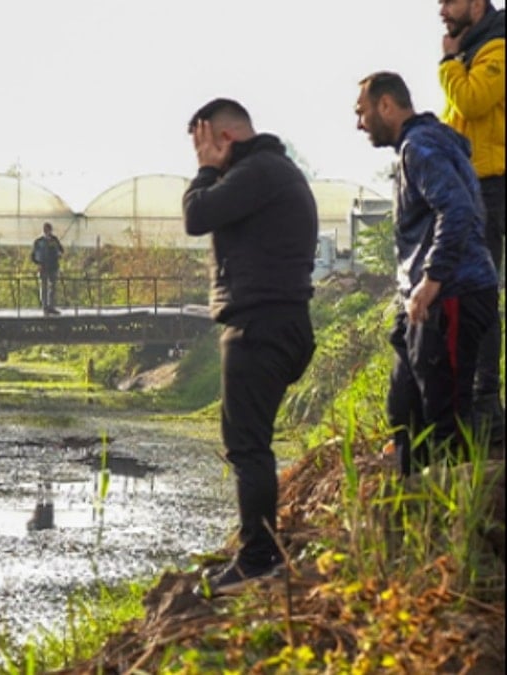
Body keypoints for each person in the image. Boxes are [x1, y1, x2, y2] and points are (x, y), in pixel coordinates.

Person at [181, 98, 318, 596]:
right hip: (276, 321)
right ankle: (257, 549)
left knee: (247, 446)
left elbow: (197, 215)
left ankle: (259, 558)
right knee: (249, 443)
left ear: (224, 138)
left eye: (202, 142)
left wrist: (203, 171)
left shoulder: (257, 171)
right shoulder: (270, 172)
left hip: (261, 324)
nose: (199, 153)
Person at [355, 71, 500, 475]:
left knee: (445, 417)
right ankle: (412, 510)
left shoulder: (419, 147)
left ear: (387, 105)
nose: (359, 124)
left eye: (362, 112)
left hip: (453, 291)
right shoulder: (421, 145)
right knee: (404, 408)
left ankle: (460, 519)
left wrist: (431, 279)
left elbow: (456, 209)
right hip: (426, 299)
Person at [438, 0, 506, 445]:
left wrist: (446, 61)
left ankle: (486, 402)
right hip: (474, 184)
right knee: (478, 294)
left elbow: (472, 100)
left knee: (481, 293)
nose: (441, 9)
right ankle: (479, 404)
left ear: (476, 3)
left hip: (494, 183)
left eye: (448, 0)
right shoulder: (472, 51)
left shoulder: (496, 47)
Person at [31, 222, 65, 316]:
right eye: (46, 229)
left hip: (53, 267)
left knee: (53, 288)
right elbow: (33, 255)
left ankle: (51, 306)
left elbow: (61, 250)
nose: (48, 231)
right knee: (44, 287)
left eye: (49, 229)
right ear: (44, 230)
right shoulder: (39, 241)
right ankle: (45, 307)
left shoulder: (54, 240)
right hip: (43, 267)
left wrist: (57, 252)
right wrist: (38, 263)